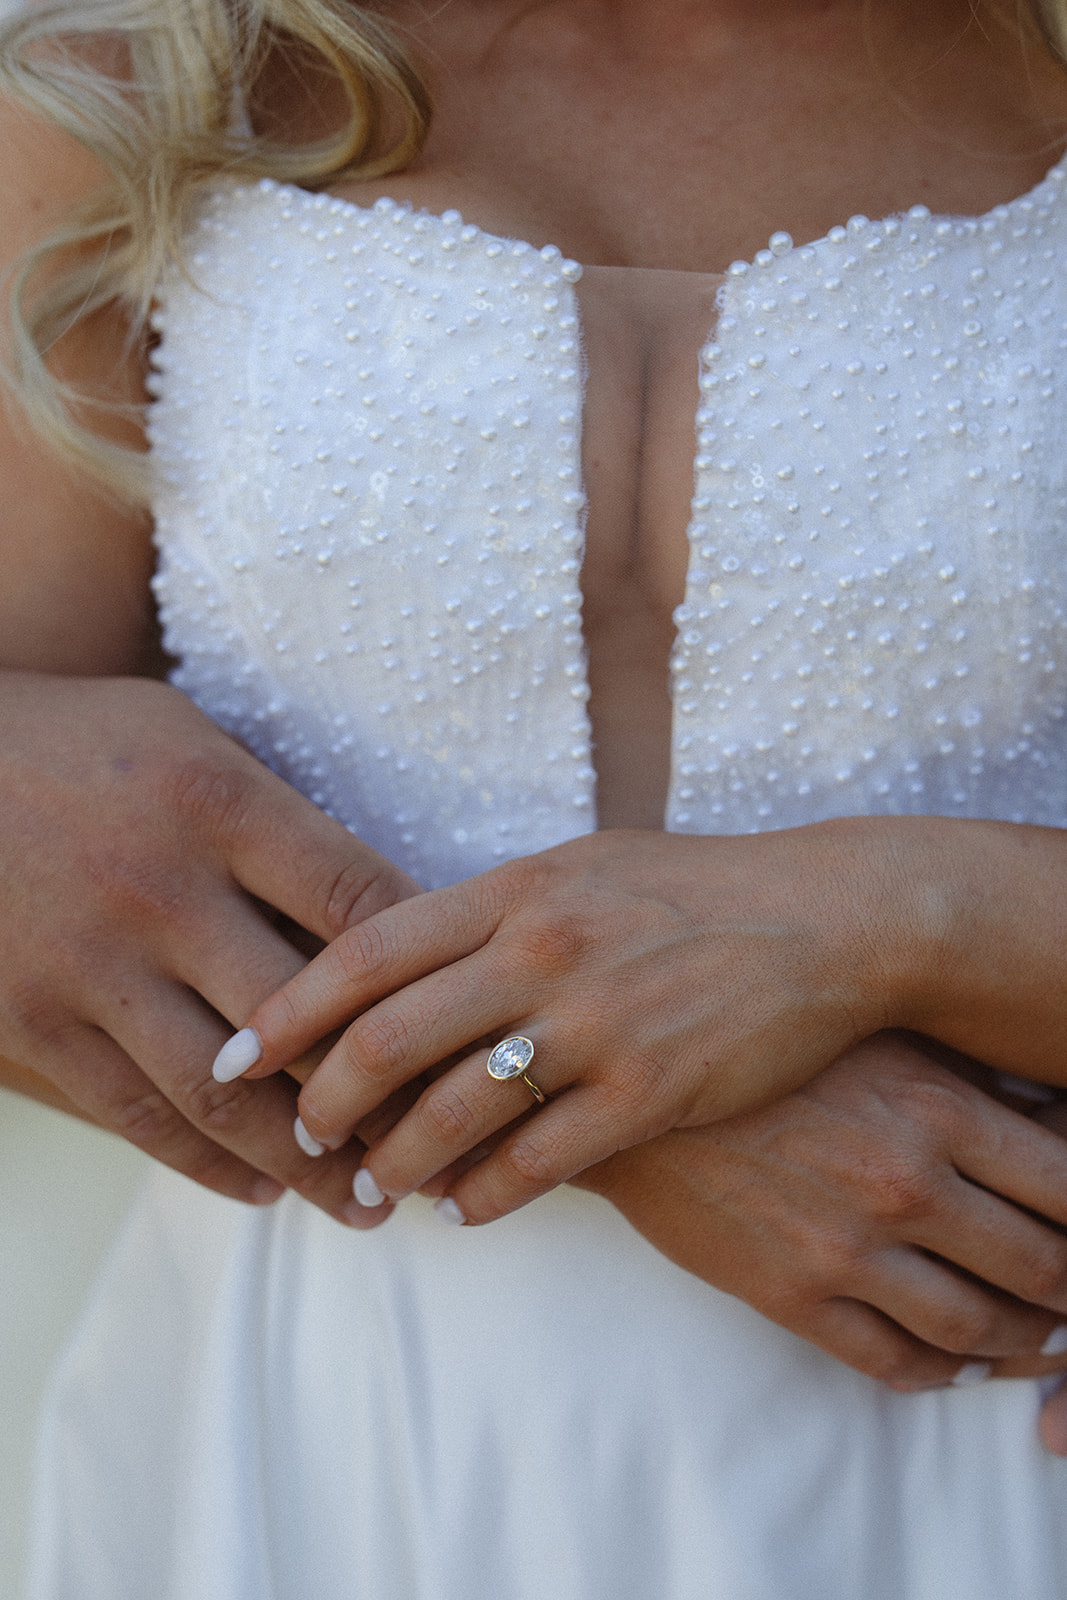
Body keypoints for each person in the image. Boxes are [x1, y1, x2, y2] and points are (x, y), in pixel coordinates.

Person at [4, 0, 1067, 1594]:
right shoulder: (140, 87)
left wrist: (881, 924)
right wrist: (623, 1122)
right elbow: (45, 887)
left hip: (985, 1365)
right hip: (357, 1413)